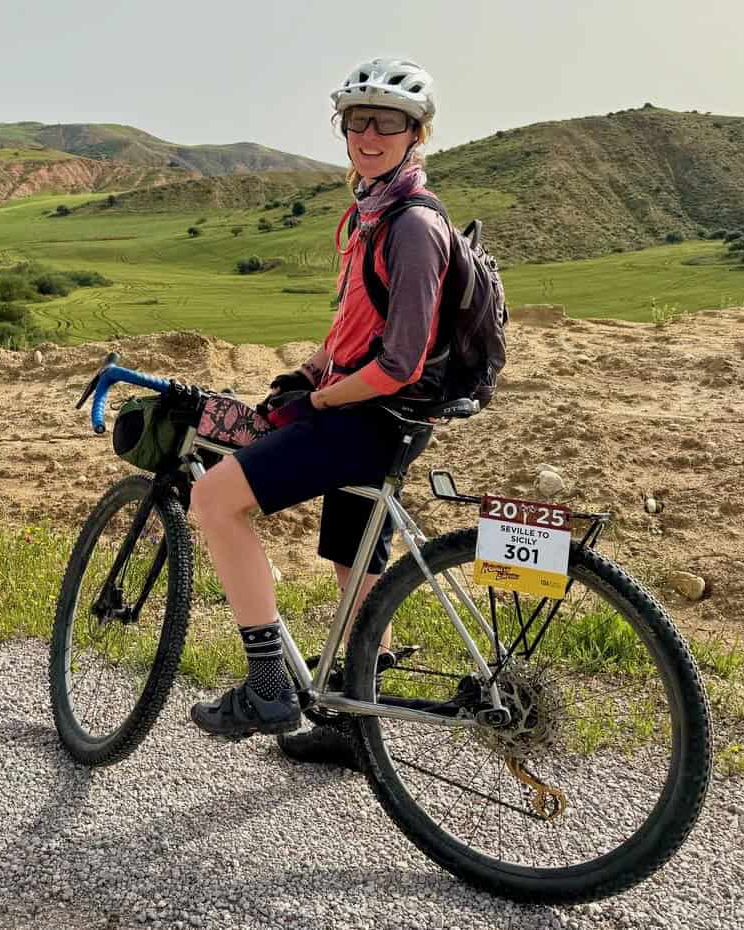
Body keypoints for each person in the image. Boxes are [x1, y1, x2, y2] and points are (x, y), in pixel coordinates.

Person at [189, 57, 449, 766]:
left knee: (214, 500)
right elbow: (360, 329)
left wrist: (322, 399)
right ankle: (355, 727)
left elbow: (400, 361)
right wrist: (308, 372)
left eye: (387, 121)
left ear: (416, 133)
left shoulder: (413, 226)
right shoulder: (373, 213)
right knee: (353, 559)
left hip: (369, 417)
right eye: (356, 120)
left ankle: (267, 685)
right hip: (374, 413)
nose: (368, 133)